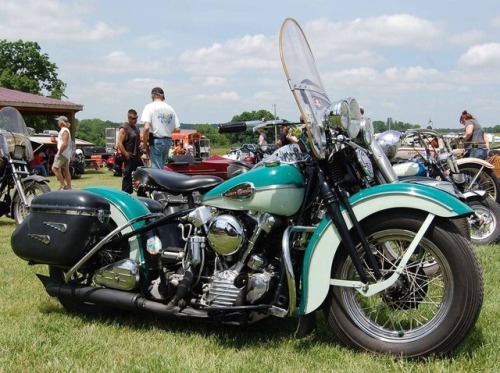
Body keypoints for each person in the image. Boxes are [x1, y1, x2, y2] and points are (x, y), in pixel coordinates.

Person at [141, 87, 181, 168]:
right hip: (168, 141)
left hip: (156, 140)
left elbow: (146, 128)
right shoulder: (170, 108)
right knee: (161, 167)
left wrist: (145, 144)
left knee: (156, 170)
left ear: (152, 96)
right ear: (163, 96)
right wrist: (166, 129)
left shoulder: (149, 107)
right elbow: (178, 129)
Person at [116, 109, 144, 193]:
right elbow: (119, 143)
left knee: (141, 175)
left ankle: (141, 194)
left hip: (137, 156)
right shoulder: (124, 128)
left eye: (136, 118)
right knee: (128, 177)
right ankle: (125, 195)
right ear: (128, 117)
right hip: (129, 156)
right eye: (133, 118)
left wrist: (141, 147)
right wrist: (126, 154)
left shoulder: (136, 128)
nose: (135, 120)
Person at [51, 115, 72, 190]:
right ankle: (69, 187)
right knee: (65, 170)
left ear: (62, 122)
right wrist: (55, 141)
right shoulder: (64, 130)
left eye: (58, 121)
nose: (57, 122)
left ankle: (63, 185)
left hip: (62, 153)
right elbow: (62, 142)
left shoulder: (64, 131)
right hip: (66, 153)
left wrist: (59, 152)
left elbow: (65, 143)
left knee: (54, 168)